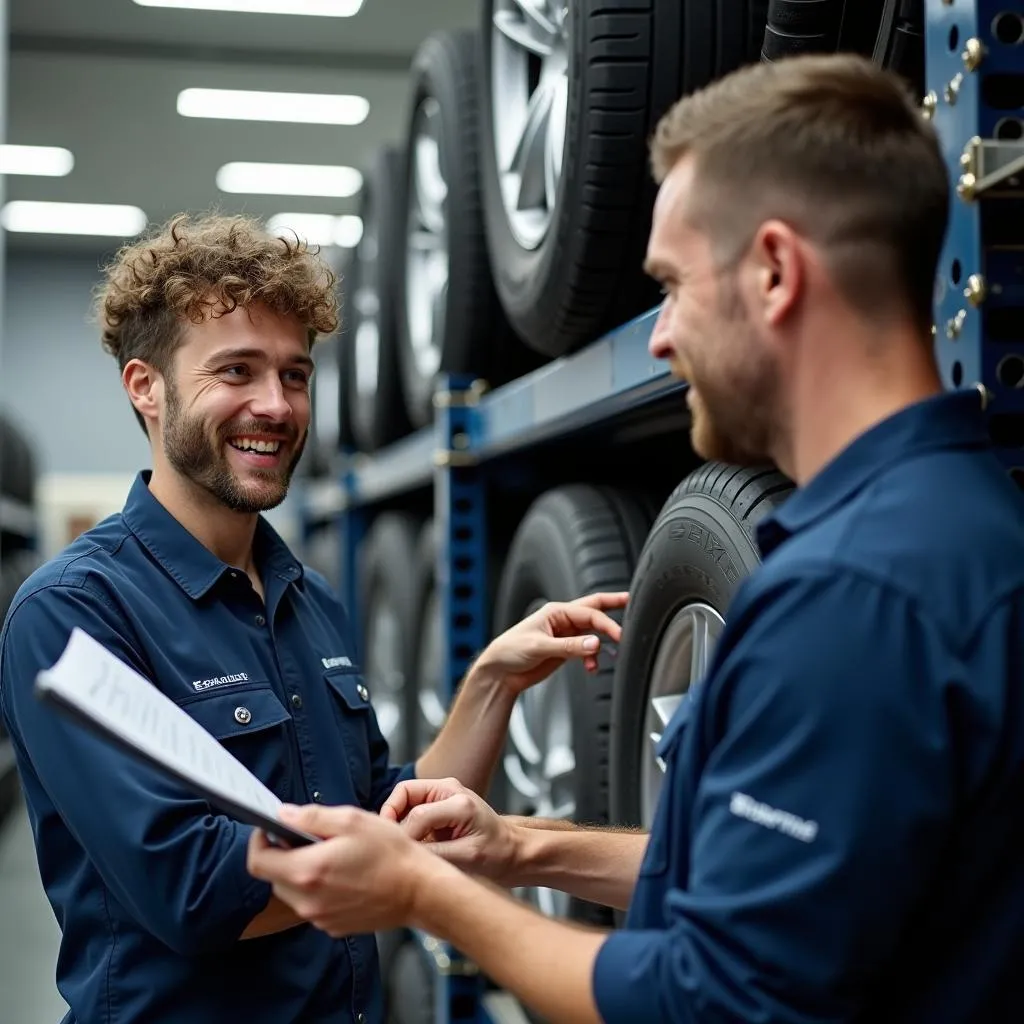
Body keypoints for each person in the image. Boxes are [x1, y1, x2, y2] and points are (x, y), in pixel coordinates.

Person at [246, 52, 1024, 1024]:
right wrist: (517, 848)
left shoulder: (853, 593)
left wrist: (421, 893)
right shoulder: (951, 520)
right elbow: (802, 875)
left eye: (671, 285)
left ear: (776, 271)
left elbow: (711, 1000)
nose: (657, 336)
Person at [0, 212, 627, 1024]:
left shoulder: (307, 592)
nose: (276, 405)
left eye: (295, 376)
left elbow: (389, 811)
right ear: (145, 387)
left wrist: (490, 685)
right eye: (237, 371)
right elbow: (192, 893)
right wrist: (408, 865)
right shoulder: (75, 613)